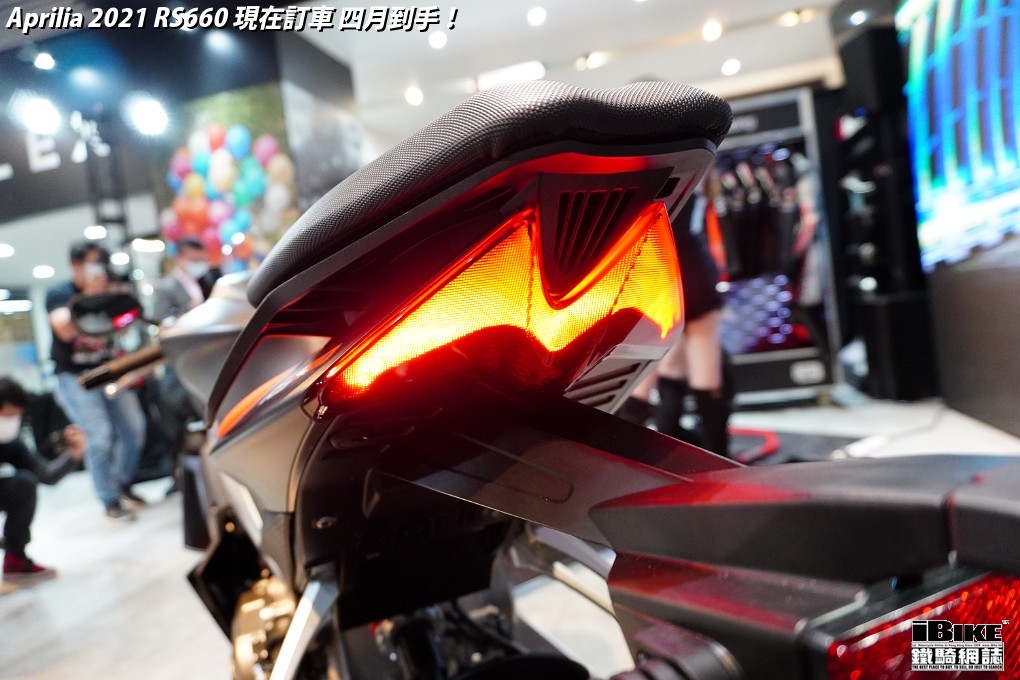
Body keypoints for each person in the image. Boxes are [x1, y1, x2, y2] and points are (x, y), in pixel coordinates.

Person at [620, 191, 731, 457]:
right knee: (698, 369)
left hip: (656, 270)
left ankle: (620, 452)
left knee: (653, 367)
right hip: (688, 267)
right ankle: (718, 457)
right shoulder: (692, 175)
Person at [46, 241, 147, 521]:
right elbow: (64, 330)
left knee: (134, 431)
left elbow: (125, 328)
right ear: (75, 265)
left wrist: (115, 302)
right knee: (99, 436)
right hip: (76, 377)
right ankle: (109, 499)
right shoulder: (60, 293)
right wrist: (90, 296)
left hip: (110, 372)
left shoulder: (111, 288)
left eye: (100, 262)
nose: (97, 268)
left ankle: (121, 483)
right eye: (91, 262)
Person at [0, 377, 86, 580]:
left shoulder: (9, 442)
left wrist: (73, 454)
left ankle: (16, 559)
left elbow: (46, 475)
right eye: (9, 415)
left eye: (17, 416)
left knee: (24, 484)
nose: (12, 422)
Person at [153, 236, 213, 322]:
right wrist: (188, 311)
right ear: (178, 258)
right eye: (194, 260)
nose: (198, 264)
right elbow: (160, 318)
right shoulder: (166, 287)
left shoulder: (207, 279)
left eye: (201, 260)